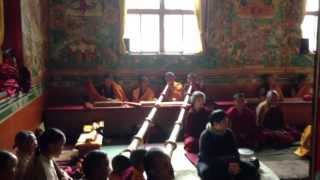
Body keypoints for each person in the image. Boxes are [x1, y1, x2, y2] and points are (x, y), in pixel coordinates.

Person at [197, 109, 259, 180]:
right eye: (224, 122)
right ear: (215, 124)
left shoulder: (229, 133)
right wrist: (226, 165)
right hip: (211, 163)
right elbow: (207, 158)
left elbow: (235, 152)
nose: (227, 124)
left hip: (229, 161)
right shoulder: (205, 135)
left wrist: (235, 163)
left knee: (252, 168)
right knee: (207, 173)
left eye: (227, 121)